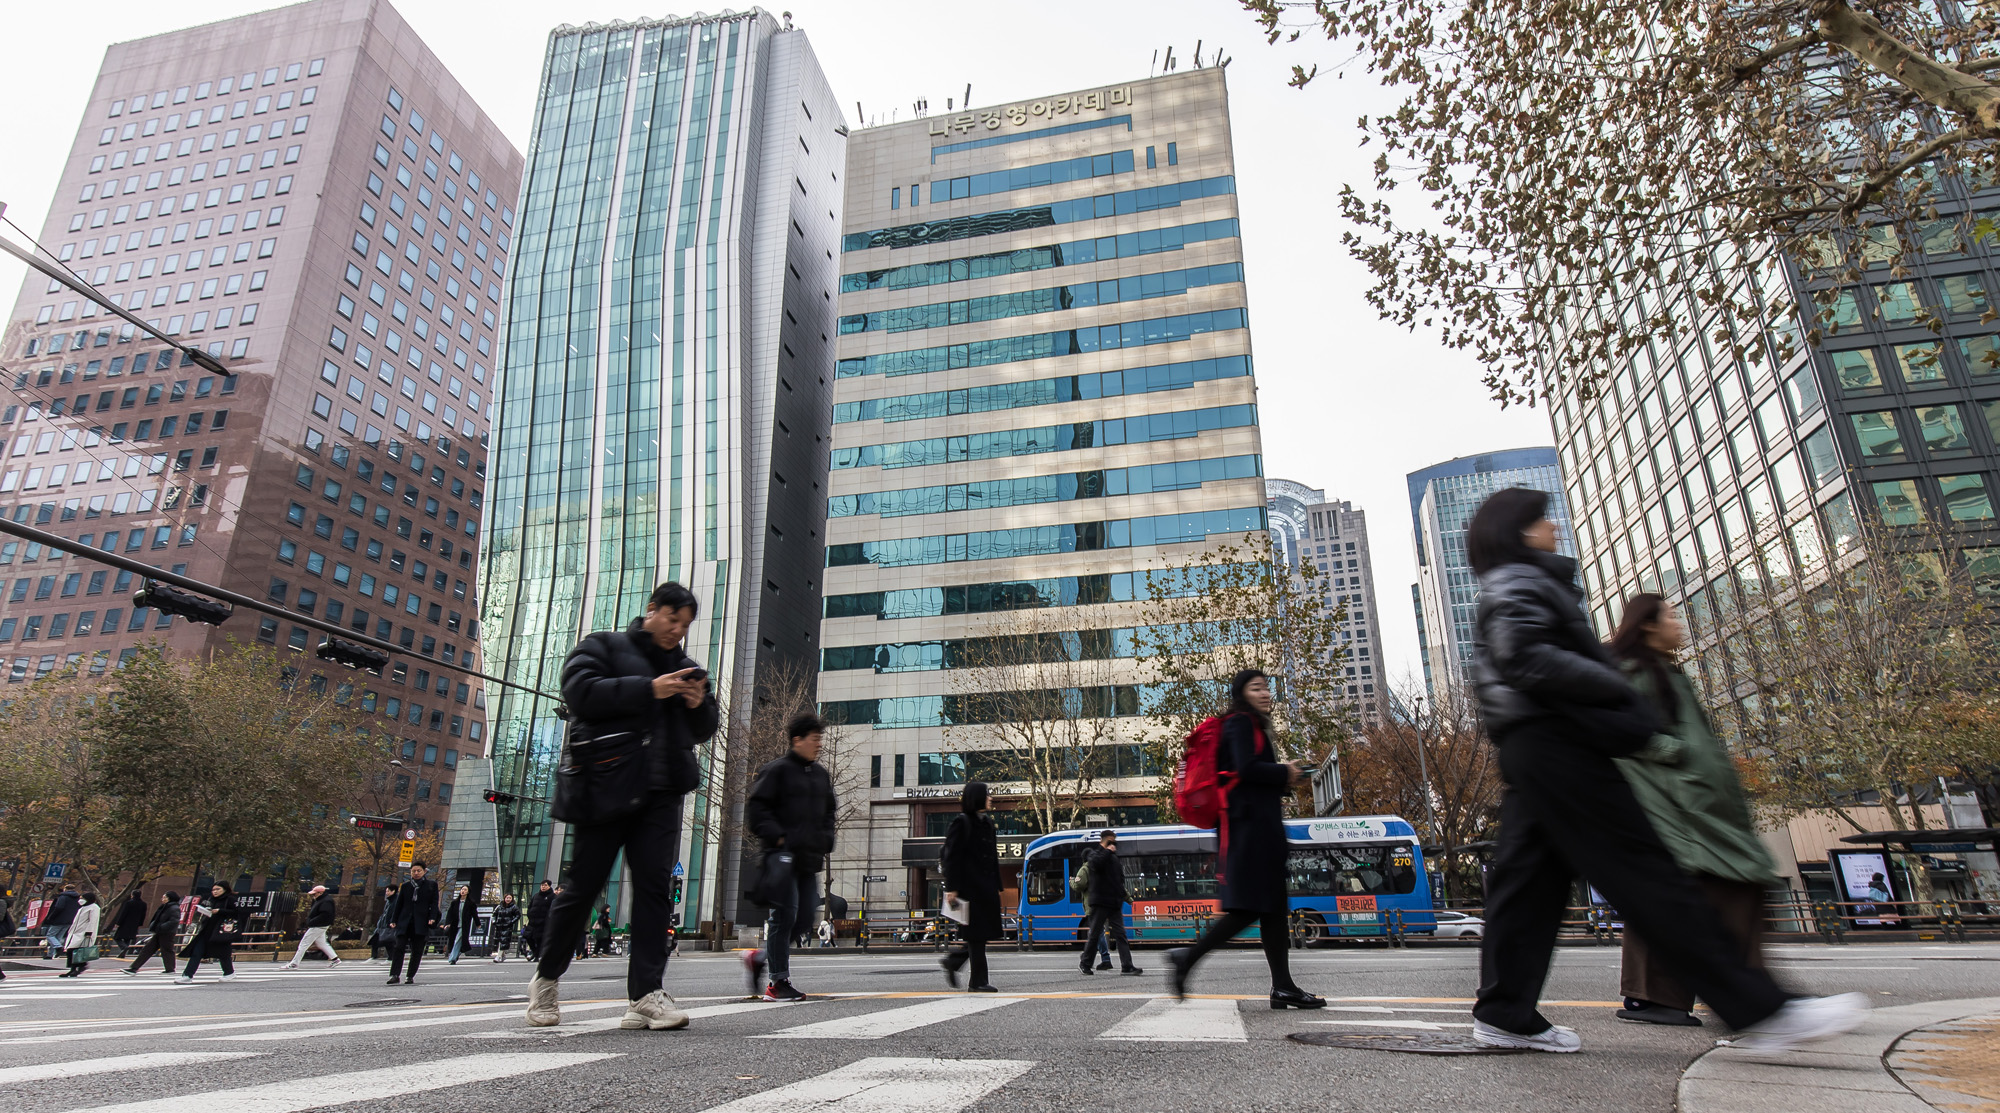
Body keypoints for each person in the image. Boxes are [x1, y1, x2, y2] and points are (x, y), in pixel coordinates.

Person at [1464, 486, 1865, 1052]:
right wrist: (1613, 685)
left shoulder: (1516, 580)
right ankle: (1762, 1010)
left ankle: (1505, 1013)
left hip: (1534, 745)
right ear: (1521, 530)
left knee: (1527, 886)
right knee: (1646, 874)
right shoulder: (1520, 580)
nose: (1555, 529)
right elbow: (1524, 656)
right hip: (1558, 742)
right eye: (1544, 521)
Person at [527, 582, 718, 1032]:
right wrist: (649, 689)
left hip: (661, 793)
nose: (677, 630)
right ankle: (547, 979)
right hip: (606, 787)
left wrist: (697, 704)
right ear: (651, 610)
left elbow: (705, 726)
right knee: (583, 887)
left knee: (654, 892)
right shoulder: (604, 646)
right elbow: (579, 692)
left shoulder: (688, 668)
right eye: (672, 618)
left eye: (686, 624)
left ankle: (645, 995)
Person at [1607, 594, 1779, 1027]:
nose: (1678, 623)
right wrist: (1678, 756)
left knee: (1718, 894)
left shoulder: (1663, 670)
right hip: (1682, 808)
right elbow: (1618, 731)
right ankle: (1750, 999)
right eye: (1670, 615)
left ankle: (1741, 997)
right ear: (1647, 625)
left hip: (1700, 805)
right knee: (1725, 889)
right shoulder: (1635, 671)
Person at [1165, 671, 1325, 1009]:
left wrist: (1284, 779)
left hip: (1258, 829)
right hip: (1249, 832)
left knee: (1273, 909)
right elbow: (1246, 769)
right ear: (1242, 693)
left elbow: (1249, 777)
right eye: (1257, 688)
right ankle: (1187, 957)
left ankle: (1283, 986)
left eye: (1267, 687)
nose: (1265, 693)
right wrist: (1284, 771)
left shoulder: (1251, 724)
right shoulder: (1239, 723)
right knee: (1249, 909)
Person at [744, 712, 837, 1002]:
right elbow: (757, 811)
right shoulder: (777, 771)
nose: (819, 745)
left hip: (808, 860)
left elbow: (829, 812)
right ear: (797, 740)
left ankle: (758, 957)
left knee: (805, 917)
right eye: (814, 739)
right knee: (784, 917)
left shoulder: (821, 774)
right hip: (781, 858)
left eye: (820, 739)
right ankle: (778, 983)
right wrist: (780, 837)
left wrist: (826, 839)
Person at [938, 781, 1003, 993]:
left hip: (986, 888)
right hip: (969, 888)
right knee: (977, 935)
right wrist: (952, 888)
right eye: (987, 794)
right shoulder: (962, 822)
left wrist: (997, 885)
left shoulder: (987, 823)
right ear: (977, 797)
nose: (990, 798)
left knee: (981, 934)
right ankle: (977, 981)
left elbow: (991, 859)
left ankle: (954, 961)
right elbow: (951, 857)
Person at [1078, 830, 1143, 977]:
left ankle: (1127, 966)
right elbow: (1096, 864)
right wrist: (1107, 851)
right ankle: (1085, 963)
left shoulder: (1114, 858)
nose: (1113, 845)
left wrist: (1123, 896)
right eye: (1110, 842)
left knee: (1121, 934)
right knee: (1094, 934)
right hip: (1100, 902)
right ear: (1104, 841)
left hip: (1114, 903)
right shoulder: (1094, 854)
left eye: (1114, 842)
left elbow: (1119, 880)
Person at [385, 862, 440, 985]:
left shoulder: (431, 885)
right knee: (399, 947)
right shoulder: (405, 886)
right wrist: (393, 920)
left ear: (424, 871)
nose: (416, 873)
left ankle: (410, 976)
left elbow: (434, 904)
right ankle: (394, 975)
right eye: (413, 871)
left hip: (421, 922)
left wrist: (432, 918)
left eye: (418, 871)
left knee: (417, 950)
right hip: (404, 922)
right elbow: (399, 904)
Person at [177, 882, 241, 983]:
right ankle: (187, 975)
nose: (215, 892)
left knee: (223, 953)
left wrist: (219, 911)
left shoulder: (231, 899)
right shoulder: (210, 899)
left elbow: (237, 913)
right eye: (213, 890)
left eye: (218, 889)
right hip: (207, 930)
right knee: (196, 952)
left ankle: (229, 973)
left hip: (221, 931)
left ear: (225, 889)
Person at [285, 885, 342, 969]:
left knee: (303, 944)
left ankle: (294, 963)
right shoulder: (324, 900)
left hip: (318, 925)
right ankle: (335, 959)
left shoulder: (325, 901)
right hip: (320, 925)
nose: (313, 895)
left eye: (314, 894)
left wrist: (311, 921)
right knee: (322, 943)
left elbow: (324, 914)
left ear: (320, 893)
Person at [124, 891, 181, 976]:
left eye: (164, 897)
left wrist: (161, 927)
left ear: (170, 898)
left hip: (167, 933)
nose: (162, 899)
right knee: (147, 949)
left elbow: (174, 921)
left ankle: (170, 969)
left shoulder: (174, 908)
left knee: (166, 950)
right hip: (160, 932)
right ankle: (134, 968)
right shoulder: (166, 907)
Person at [58, 891, 100, 977]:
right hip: (75, 932)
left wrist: (89, 932)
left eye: (83, 898)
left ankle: (79, 967)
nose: (80, 900)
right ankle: (74, 968)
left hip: (84, 933)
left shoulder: (94, 908)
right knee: (71, 950)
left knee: (76, 950)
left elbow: (93, 921)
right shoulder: (82, 908)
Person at [41, 885, 80, 959]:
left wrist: (51, 917)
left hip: (58, 919)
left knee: (50, 935)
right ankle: (52, 954)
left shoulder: (62, 897)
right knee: (58, 937)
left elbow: (58, 907)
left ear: (65, 889)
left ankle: (57, 947)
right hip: (70, 920)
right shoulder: (77, 898)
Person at [112, 890, 149, 958]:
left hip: (125, 923)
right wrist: (140, 923)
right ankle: (123, 953)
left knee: (117, 937)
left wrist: (118, 923)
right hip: (135, 924)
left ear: (132, 895)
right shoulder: (143, 904)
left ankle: (124, 948)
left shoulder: (129, 903)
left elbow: (123, 913)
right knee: (128, 938)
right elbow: (143, 915)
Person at [444, 886, 475, 964]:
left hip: (464, 925)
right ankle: (457, 953)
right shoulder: (455, 902)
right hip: (455, 925)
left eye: (465, 890)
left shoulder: (470, 903)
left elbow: (474, 914)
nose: (463, 891)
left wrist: (477, 923)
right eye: (462, 889)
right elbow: (449, 913)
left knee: (457, 940)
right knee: (455, 940)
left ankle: (452, 958)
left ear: (468, 892)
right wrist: (447, 923)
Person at [524, 880, 554, 959]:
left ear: (549, 886)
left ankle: (537, 955)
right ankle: (535, 952)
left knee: (539, 939)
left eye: (545, 885)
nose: (543, 887)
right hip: (532, 921)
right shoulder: (536, 896)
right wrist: (529, 914)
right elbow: (530, 906)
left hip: (543, 922)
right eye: (542, 885)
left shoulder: (552, 896)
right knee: (528, 936)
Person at [490, 893, 522, 962]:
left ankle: (498, 956)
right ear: (504, 898)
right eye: (507, 898)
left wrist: (511, 922)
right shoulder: (499, 907)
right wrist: (494, 921)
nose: (508, 899)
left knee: (503, 941)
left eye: (510, 898)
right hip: (499, 926)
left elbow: (518, 915)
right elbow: (494, 914)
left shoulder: (514, 907)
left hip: (507, 927)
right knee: (499, 941)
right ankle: (503, 955)